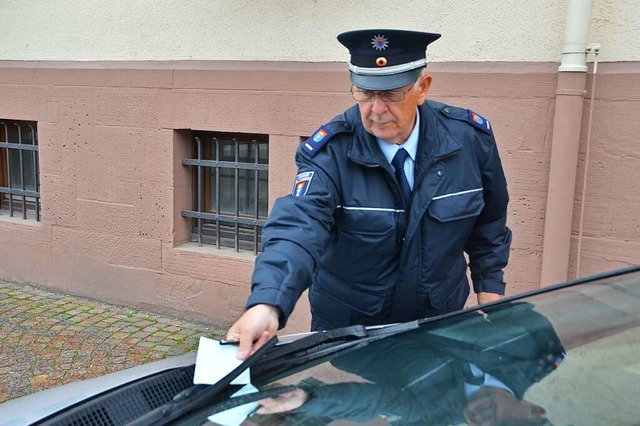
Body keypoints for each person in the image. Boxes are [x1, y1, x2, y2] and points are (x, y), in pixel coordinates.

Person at [226, 29, 512, 359]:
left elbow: (489, 224)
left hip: (438, 324)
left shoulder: (469, 140)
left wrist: (490, 295)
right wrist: (268, 302)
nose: (375, 109)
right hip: (351, 337)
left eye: (390, 94)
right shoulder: (330, 152)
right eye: (364, 93)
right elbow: (298, 229)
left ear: (422, 88)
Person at [255, 302, 564, 425]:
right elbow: (503, 304)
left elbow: (374, 401)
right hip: (423, 281)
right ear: (532, 409)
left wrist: (308, 400)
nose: (487, 424)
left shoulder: (437, 413)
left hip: (352, 317)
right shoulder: (539, 352)